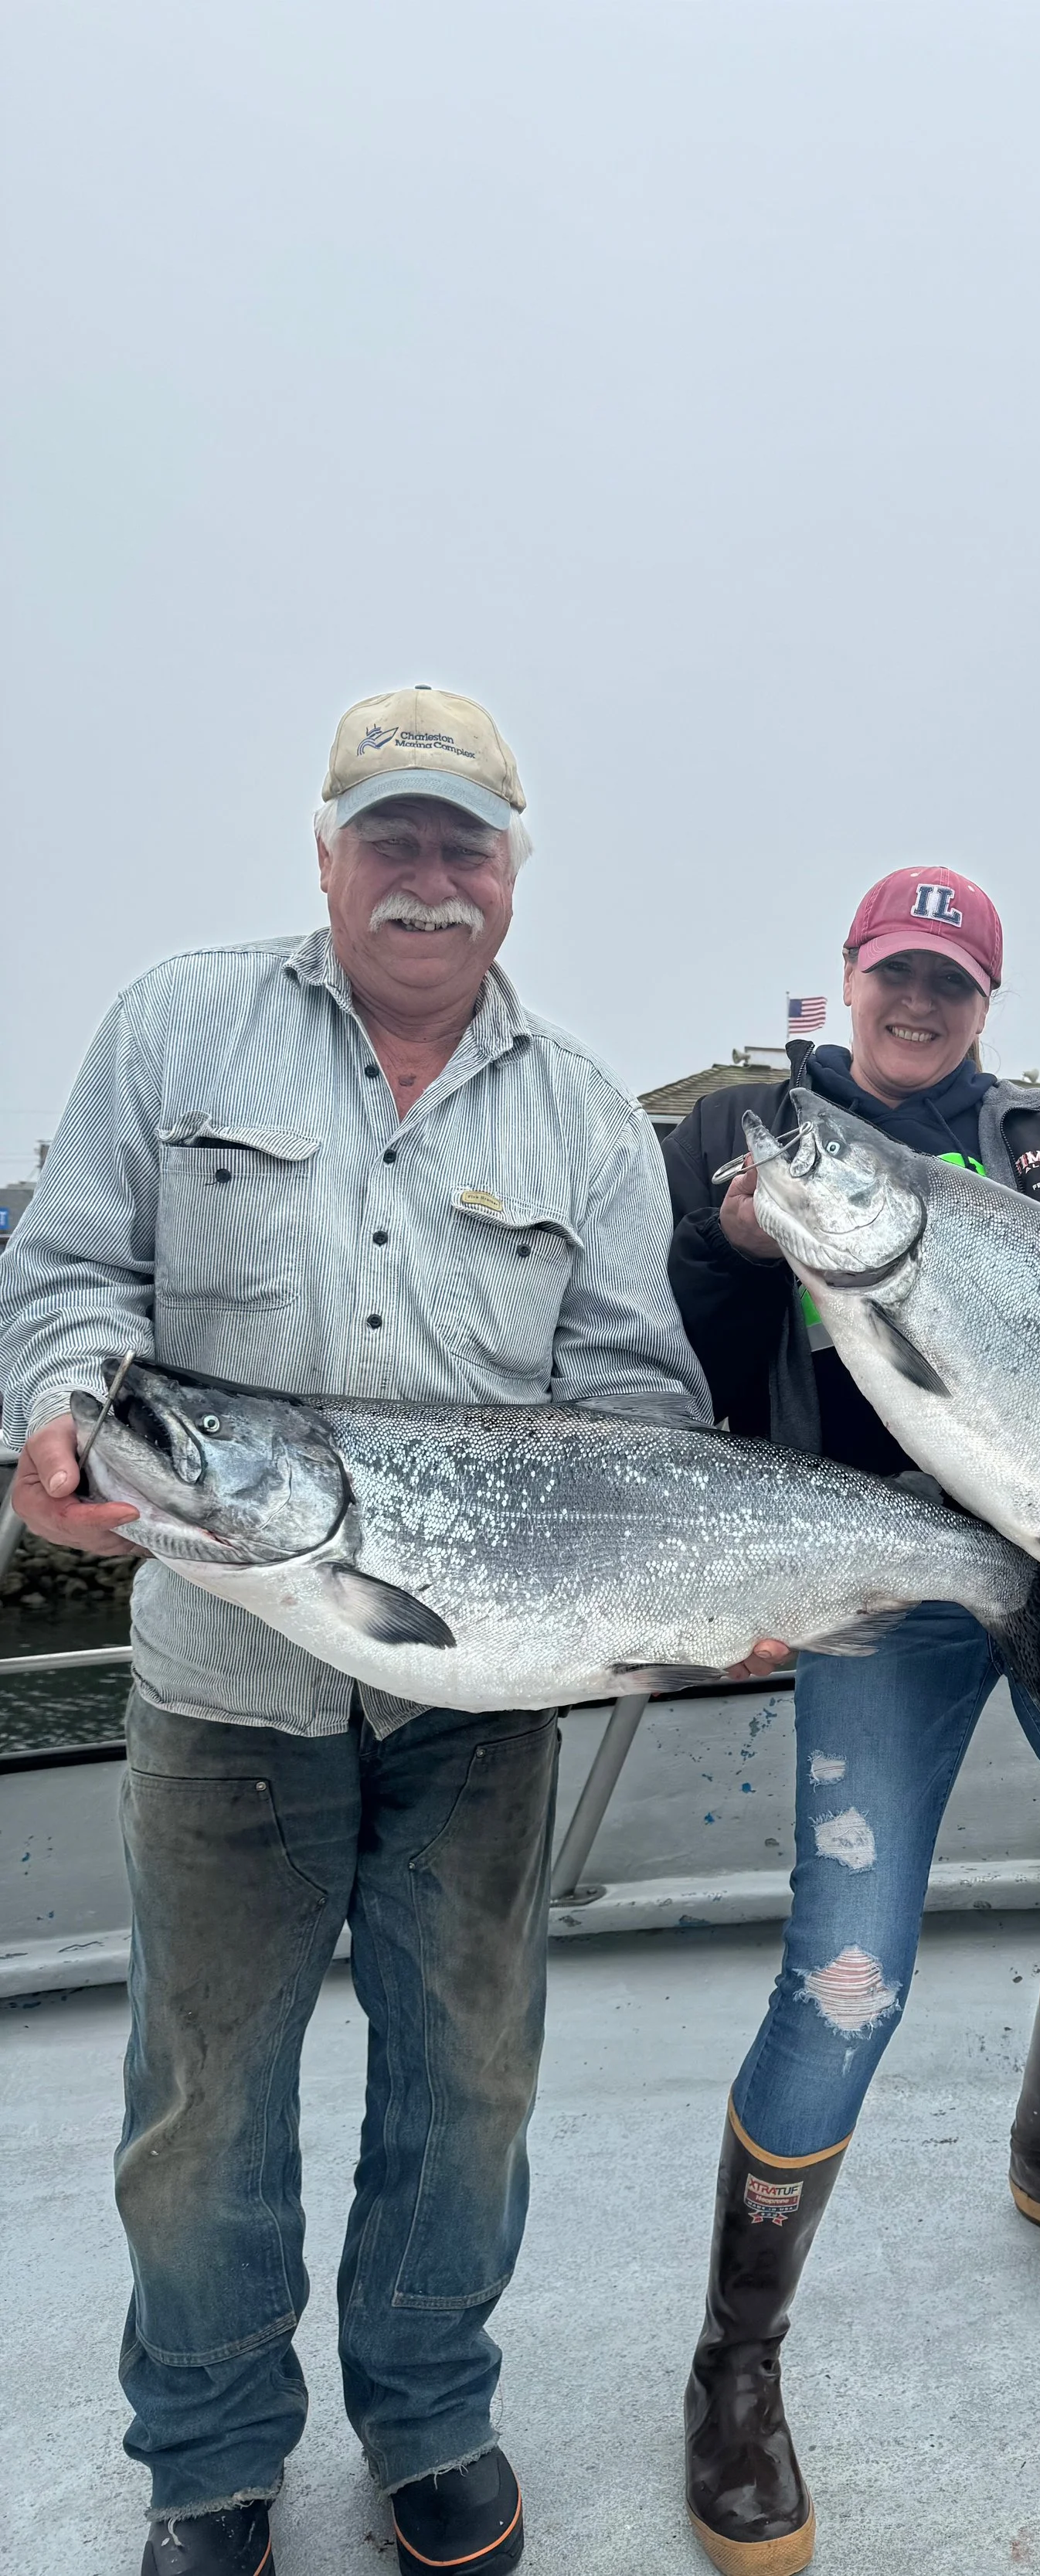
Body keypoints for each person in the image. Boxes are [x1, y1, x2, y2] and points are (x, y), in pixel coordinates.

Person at [0, 687, 722, 2576]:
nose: (426, 874)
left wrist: (685, 1593)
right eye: (389, 834)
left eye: (461, 840)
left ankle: (429, 2418)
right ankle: (210, 2462)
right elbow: (66, 1274)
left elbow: (637, 1399)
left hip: (480, 1704)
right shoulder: (177, 1024)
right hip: (222, 1686)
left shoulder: (587, 1114)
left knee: (467, 2090)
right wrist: (63, 1410)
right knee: (201, 2107)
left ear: (512, 871)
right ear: (325, 853)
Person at [661, 865, 1040, 2576]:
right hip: (873, 1576)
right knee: (847, 1976)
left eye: (950, 982)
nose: (917, 1003)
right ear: (848, 975)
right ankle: (736, 2357)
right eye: (894, 972)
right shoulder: (746, 1132)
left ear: (987, 1003)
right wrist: (734, 1239)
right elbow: (689, 1349)